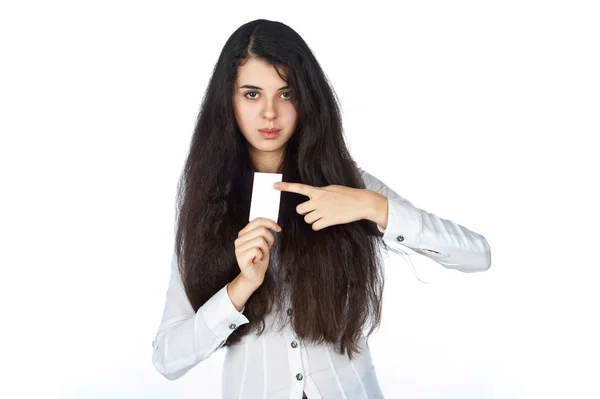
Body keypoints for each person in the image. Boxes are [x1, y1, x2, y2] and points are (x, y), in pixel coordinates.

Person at [151, 19, 491, 399]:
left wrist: (371, 205)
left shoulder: (347, 185)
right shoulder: (206, 206)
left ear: (306, 99)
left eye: (286, 93)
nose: (268, 113)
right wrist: (240, 287)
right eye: (251, 94)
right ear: (227, 101)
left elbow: (477, 255)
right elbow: (167, 359)